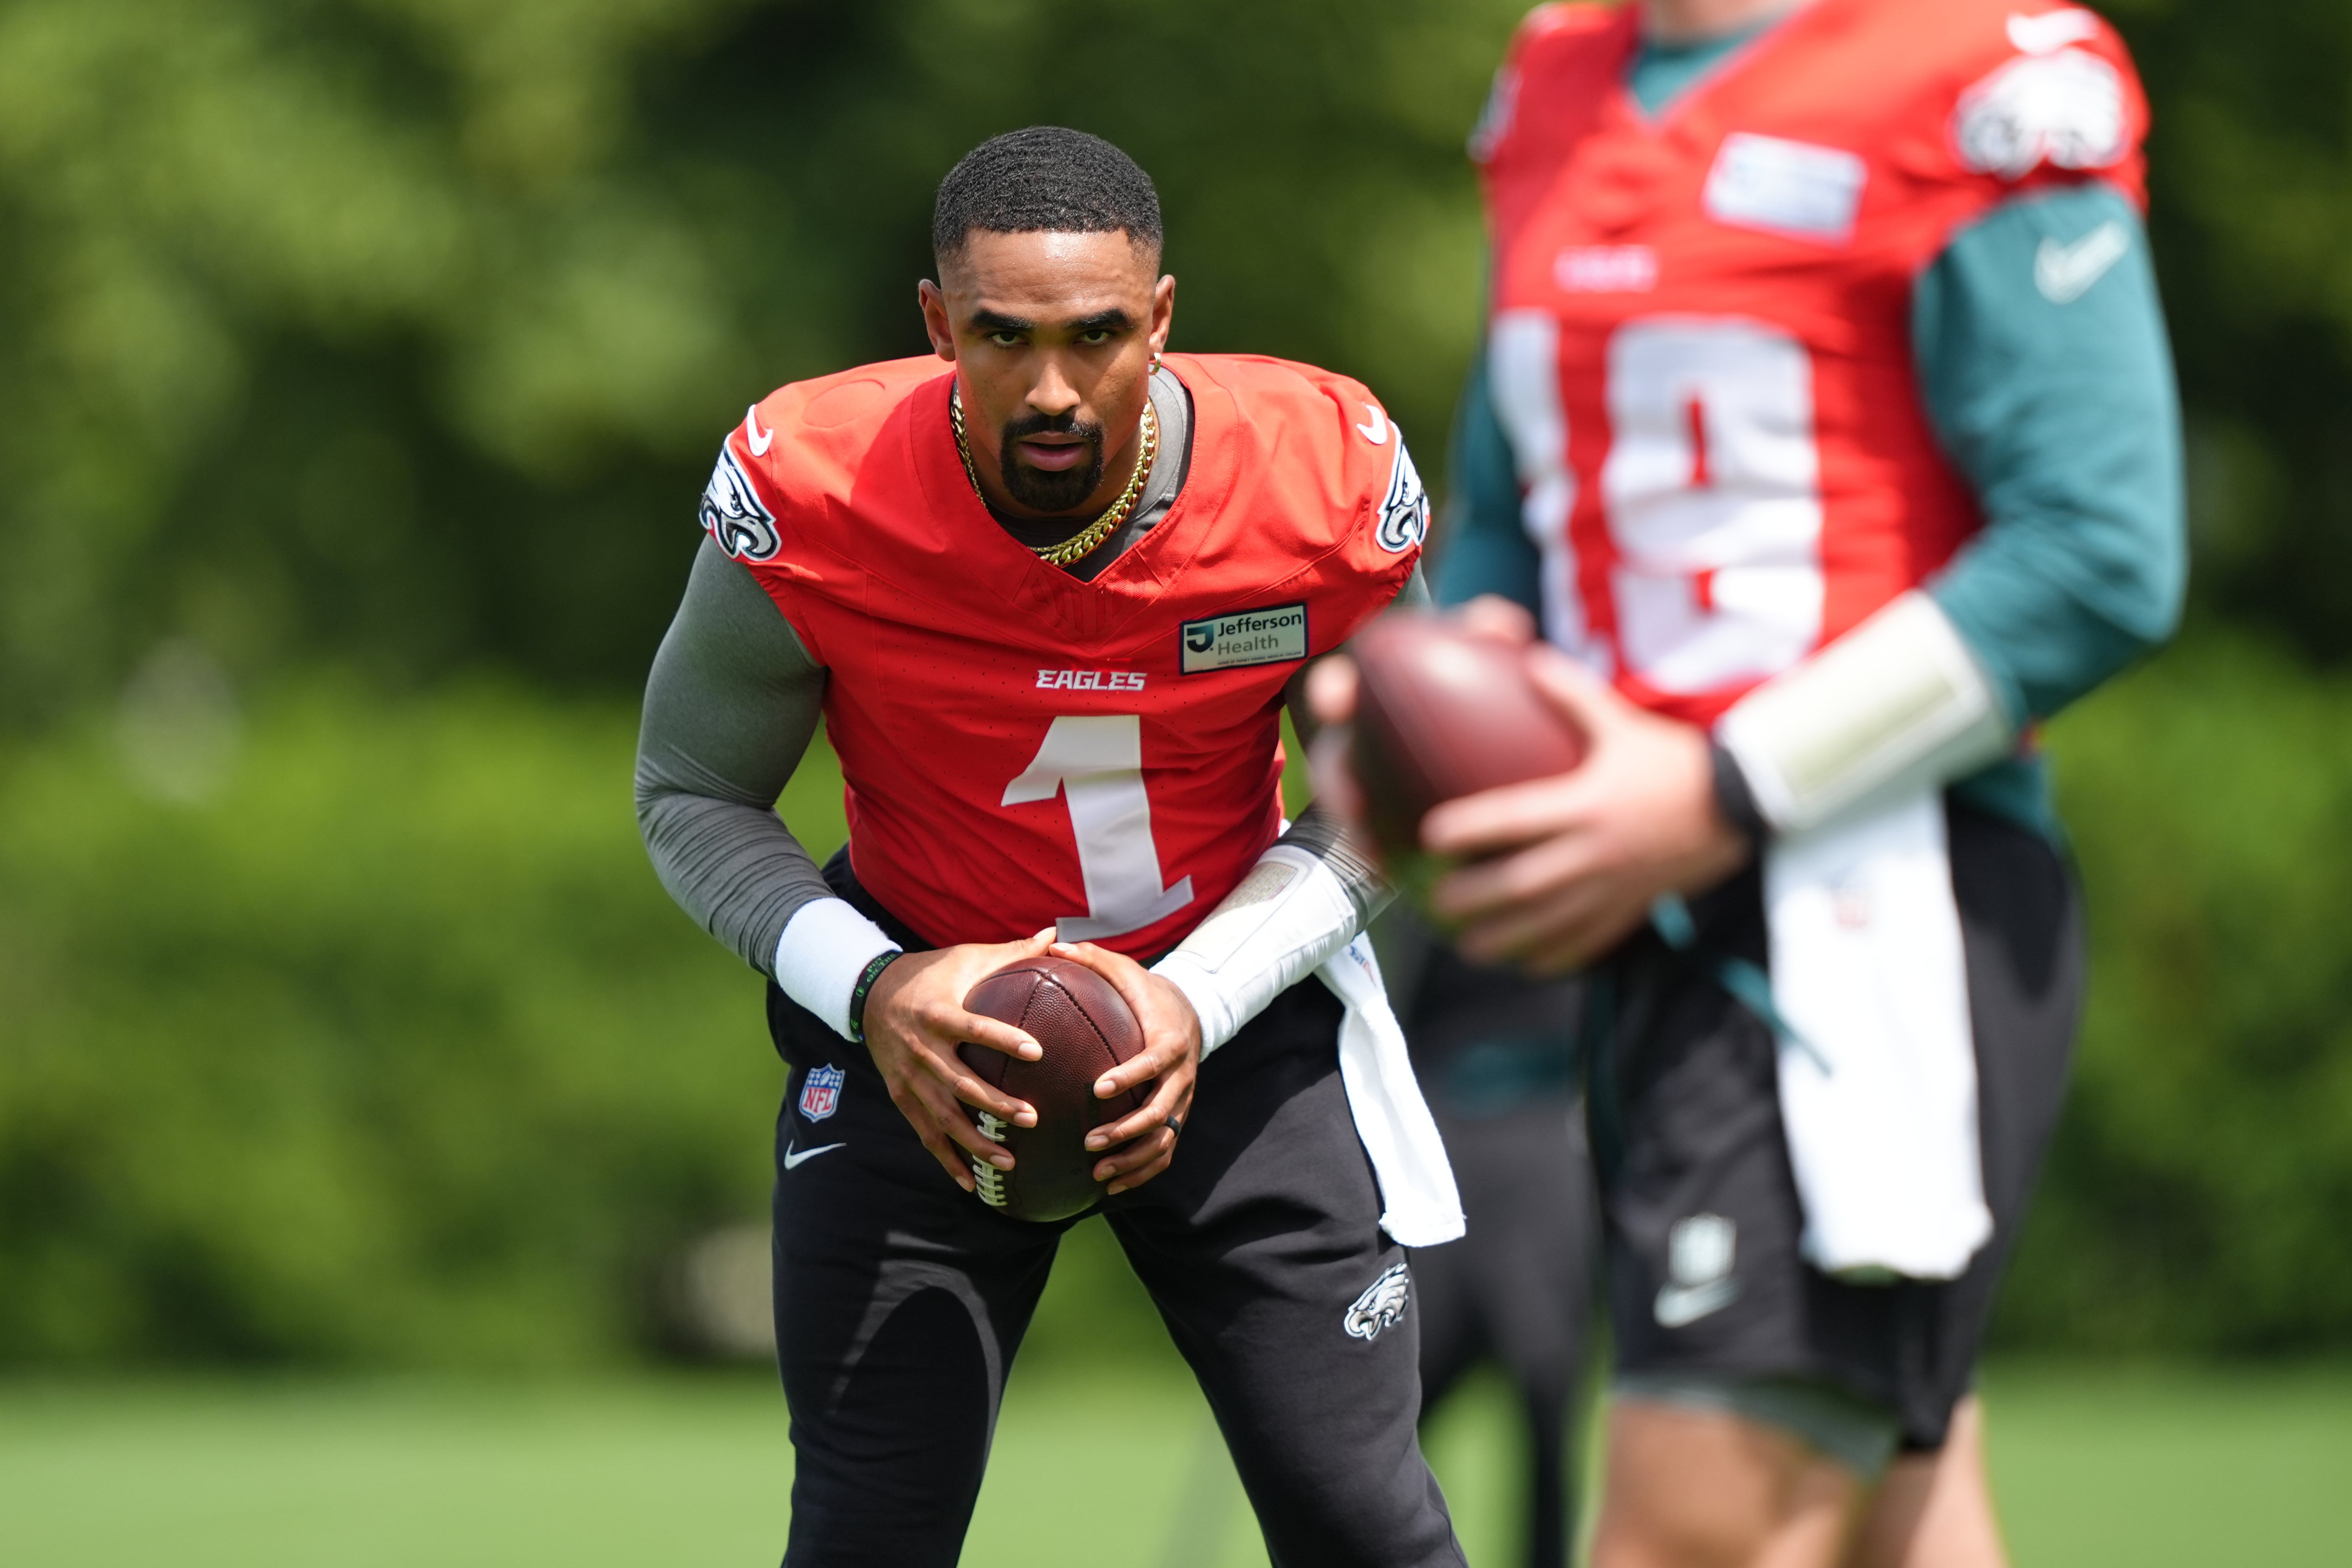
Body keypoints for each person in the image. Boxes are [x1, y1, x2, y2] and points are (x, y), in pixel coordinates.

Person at [1317, 1, 2185, 1564]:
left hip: (1866, 908)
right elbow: (1516, 519)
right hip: (1655, 926)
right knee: (1898, 1520)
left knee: (1693, 1526)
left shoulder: (1973, 67)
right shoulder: (1559, 72)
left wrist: (1719, 783)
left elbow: (2101, 549)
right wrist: (1420, 705)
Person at [635, 127, 1468, 1567]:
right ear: (935, 323)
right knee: (863, 1540)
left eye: (1096, 334)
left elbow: (1392, 797)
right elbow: (691, 791)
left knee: (1365, 1528)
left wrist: (1199, 998)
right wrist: (876, 989)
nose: (1052, 390)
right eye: (1002, 338)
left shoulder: (1315, 476)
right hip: (923, 1035)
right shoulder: (818, 487)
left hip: (1232, 1017)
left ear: (1161, 317)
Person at [1392, 913, 1596, 1568]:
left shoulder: (1590, 879)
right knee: (1397, 1392)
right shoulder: (1421, 889)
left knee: (1546, 1380)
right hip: (1438, 1139)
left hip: (1548, 1136)